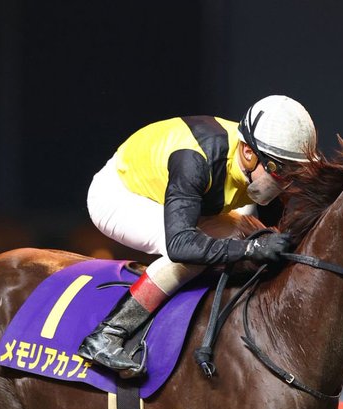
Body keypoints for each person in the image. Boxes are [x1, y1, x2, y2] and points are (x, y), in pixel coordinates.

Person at [77, 95, 318, 375]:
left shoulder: (260, 160)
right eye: (279, 170)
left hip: (189, 198)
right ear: (249, 153)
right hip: (121, 194)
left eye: (294, 172)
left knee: (248, 231)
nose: (286, 182)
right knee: (195, 255)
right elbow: (181, 245)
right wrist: (250, 251)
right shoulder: (195, 160)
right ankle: (107, 335)